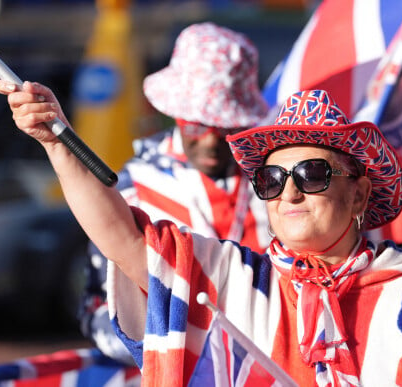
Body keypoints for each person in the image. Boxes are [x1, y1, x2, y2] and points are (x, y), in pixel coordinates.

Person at [0, 82, 402, 386]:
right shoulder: (239, 280)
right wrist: (57, 144)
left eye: (313, 175)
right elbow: (124, 239)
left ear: (360, 196)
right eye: (271, 179)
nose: (289, 193)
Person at [78, 22, 272, 365]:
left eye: (227, 126)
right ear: (175, 115)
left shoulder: (276, 184)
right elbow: (98, 308)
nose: (211, 140)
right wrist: (165, 348)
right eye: (197, 124)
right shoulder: (131, 189)